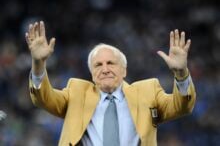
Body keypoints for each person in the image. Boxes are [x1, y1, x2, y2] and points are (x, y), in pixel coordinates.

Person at [26, 21, 196, 146]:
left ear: (124, 71)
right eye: (98, 65)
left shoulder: (148, 91)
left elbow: (182, 106)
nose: (105, 69)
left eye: (111, 63)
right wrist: (38, 64)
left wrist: (181, 73)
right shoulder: (76, 91)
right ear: (92, 74)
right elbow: (43, 98)